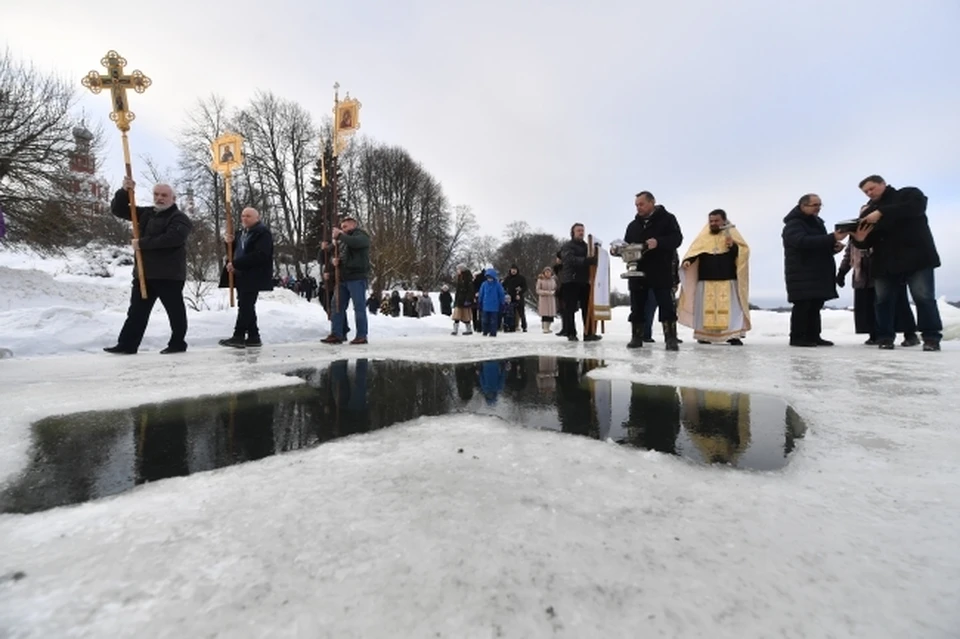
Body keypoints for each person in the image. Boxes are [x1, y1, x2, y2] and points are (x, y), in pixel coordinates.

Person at [851, 175, 942, 351]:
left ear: (883, 184)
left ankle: (931, 337)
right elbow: (867, 242)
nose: (869, 193)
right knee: (883, 301)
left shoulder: (908, 194)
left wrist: (882, 212)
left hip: (917, 258)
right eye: (866, 192)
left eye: (872, 188)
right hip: (885, 262)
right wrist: (860, 240)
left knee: (923, 297)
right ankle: (885, 337)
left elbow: (916, 208)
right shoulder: (868, 212)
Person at [104, 177, 193, 355]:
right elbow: (119, 210)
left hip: (169, 274)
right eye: (156, 194)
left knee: (174, 312)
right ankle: (127, 345)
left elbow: (173, 239)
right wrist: (124, 191)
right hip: (144, 274)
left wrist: (142, 244)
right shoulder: (147, 213)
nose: (159, 198)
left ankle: (177, 343)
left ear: (173, 198)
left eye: (164, 195)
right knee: (136, 312)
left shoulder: (180, 218)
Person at [782, 193, 847, 347]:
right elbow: (801, 242)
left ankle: (813, 335)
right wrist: (832, 238)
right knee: (803, 305)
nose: (818, 208)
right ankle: (798, 337)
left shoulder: (817, 223)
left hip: (817, 271)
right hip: (801, 271)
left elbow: (816, 245)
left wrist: (832, 248)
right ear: (802, 206)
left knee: (816, 304)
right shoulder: (794, 224)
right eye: (814, 205)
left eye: (819, 205)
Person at [678, 209, 751, 345]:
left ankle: (732, 335)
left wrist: (733, 246)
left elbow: (743, 253)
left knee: (731, 309)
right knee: (705, 310)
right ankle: (704, 336)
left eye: (716, 221)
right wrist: (688, 261)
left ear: (724, 220)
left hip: (728, 279)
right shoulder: (703, 237)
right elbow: (695, 252)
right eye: (711, 221)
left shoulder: (732, 234)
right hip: (706, 280)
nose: (713, 223)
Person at [624, 191, 684, 350]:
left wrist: (659, 242)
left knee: (666, 304)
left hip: (661, 270)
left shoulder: (667, 219)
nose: (638, 208)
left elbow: (677, 239)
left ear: (652, 202)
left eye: (641, 204)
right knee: (637, 306)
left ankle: (670, 338)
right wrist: (618, 250)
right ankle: (637, 337)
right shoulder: (633, 225)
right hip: (638, 271)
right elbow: (627, 245)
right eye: (636, 205)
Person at [837, 242, 918, 346]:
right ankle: (874, 334)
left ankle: (910, 334)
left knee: (898, 304)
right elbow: (849, 254)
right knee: (867, 305)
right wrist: (842, 271)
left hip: (887, 272)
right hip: (862, 275)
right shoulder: (855, 233)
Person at [218, 207, 273, 348]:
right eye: (243, 216)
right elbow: (235, 251)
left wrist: (236, 263)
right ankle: (254, 336)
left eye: (248, 216)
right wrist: (228, 242)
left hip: (254, 274)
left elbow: (261, 255)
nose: (244, 218)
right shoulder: (241, 233)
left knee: (245, 305)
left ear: (257, 218)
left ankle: (239, 335)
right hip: (241, 273)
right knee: (246, 305)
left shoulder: (262, 233)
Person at [321, 214, 371, 345]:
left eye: (345, 226)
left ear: (353, 225)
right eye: (341, 227)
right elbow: (329, 254)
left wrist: (340, 235)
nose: (342, 228)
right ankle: (337, 333)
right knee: (336, 306)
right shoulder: (341, 241)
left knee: (359, 307)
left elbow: (356, 243)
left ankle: (361, 335)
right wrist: (334, 261)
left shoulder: (361, 236)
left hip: (356, 278)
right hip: (342, 279)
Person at [558, 223, 599, 342]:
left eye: (582, 230)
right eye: (578, 231)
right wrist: (586, 261)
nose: (581, 233)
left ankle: (589, 333)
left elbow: (590, 259)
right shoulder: (567, 246)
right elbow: (569, 260)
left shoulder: (587, 246)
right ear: (573, 232)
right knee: (570, 308)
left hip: (584, 280)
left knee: (587, 307)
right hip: (571, 280)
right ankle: (571, 333)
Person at [477, 268, 506, 337]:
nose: (489, 278)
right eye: (488, 277)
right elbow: (481, 293)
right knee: (485, 320)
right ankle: (485, 331)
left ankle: (493, 332)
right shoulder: (484, 284)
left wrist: (502, 302)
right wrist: (480, 301)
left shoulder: (497, 285)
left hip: (494, 306)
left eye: (490, 277)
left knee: (493, 320)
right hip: (486, 305)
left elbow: (501, 294)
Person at [501, 264, 529, 332]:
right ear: (510, 270)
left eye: (515, 270)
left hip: (519, 297)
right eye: (512, 270)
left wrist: (520, 292)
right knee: (511, 313)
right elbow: (503, 286)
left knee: (521, 313)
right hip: (510, 298)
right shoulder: (508, 278)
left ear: (517, 270)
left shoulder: (521, 278)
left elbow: (525, 287)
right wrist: (505, 293)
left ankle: (524, 326)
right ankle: (512, 326)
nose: (513, 271)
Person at [451, 264, 475, 335]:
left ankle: (468, 329)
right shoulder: (460, 278)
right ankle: (455, 329)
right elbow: (458, 290)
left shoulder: (467, 278)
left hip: (464, 299)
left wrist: (468, 299)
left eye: (458, 269)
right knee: (456, 315)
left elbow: (470, 290)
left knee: (466, 316)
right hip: (459, 300)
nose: (457, 271)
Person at [535, 266, 558, 333]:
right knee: (545, 315)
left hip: (551, 299)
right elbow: (538, 290)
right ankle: (545, 328)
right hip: (544, 299)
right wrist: (546, 293)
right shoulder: (540, 280)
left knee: (550, 315)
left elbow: (555, 288)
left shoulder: (553, 280)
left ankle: (548, 327)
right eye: (546, 272)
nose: (548, 273)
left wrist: (554, 292)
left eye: (549, 272)